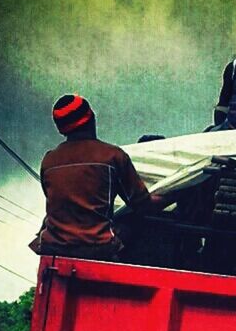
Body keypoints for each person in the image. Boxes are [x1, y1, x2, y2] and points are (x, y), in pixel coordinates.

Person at [31, 94, 168, 258]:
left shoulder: (49, 161)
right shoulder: (112, 156)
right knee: (135, 223)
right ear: (92, 119)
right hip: (98, 247)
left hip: (53, 247)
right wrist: (174, 193)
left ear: (61, 130)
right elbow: (142, 205)